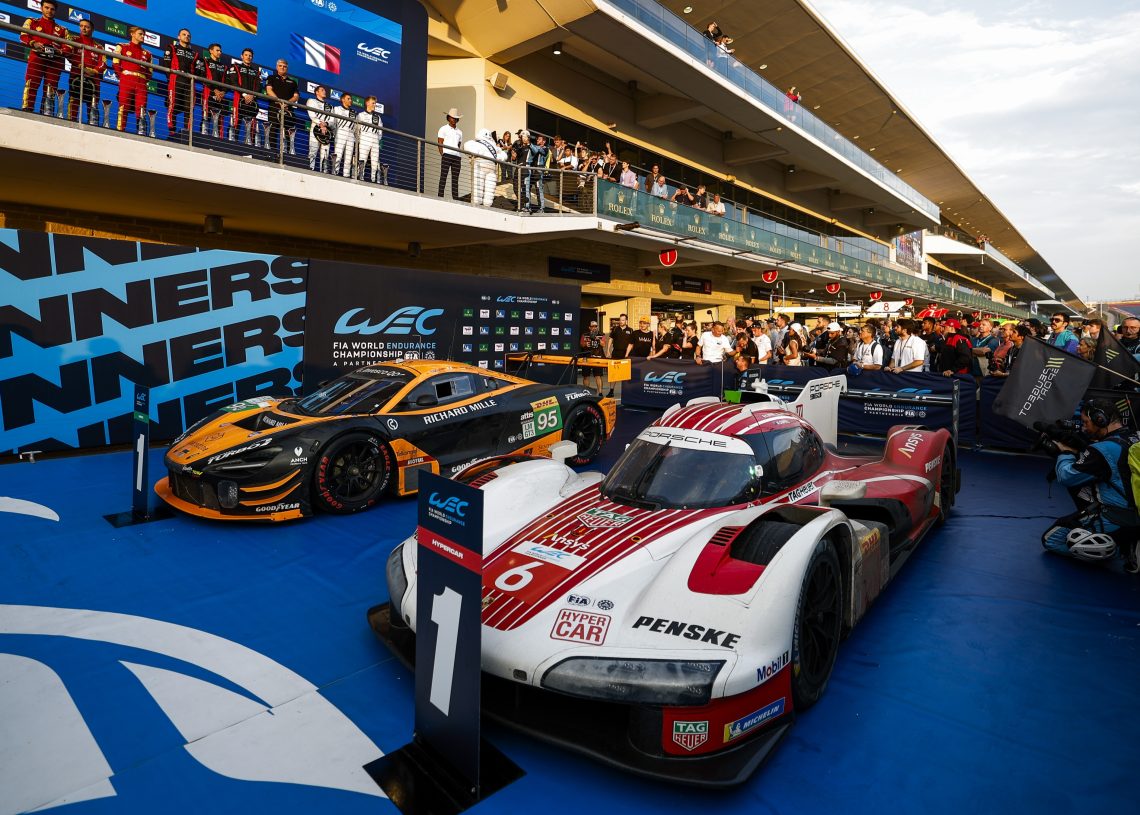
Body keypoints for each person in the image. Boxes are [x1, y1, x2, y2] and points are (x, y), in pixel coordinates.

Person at [1042, 400, 1140, 572]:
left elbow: (1066, 477)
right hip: (1137, 511)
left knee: (1052, 539)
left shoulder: (1103, 449)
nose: (1084, 428)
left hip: (1120, 518)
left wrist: (1064, 452)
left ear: (1100, 419)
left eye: (1086, 422)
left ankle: (1121, 547)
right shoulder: (1135, 436)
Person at [20, 0, 69, 116]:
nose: (49, 11)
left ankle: (47, 113)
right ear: (41, 8)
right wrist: (33, 43)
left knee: (50, 89)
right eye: (46, 8)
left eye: (52, 9)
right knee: (31, 84)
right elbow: (23, 36)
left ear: (55, 11)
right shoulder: (32, 21)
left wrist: (60, 51)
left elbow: (69, 47)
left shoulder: (63, 29)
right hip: (36, 58)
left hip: (55, 62)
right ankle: (27, 109)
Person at [114, 27, 153, 134]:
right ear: (132, 34)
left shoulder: (148, 54)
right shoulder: (122, 46)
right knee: (123, 106)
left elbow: (150, 72)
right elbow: (115, 62)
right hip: (127, 80)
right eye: (140, 34)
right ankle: (120, 131)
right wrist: (123, 76)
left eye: (144, 34)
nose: (143, 36)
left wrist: (143, 80)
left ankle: (141, 132)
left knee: (141, 108)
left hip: (141, 84)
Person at [67, 17, 105, 125]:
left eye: (87, 27)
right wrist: (81, 67)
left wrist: (94, 71)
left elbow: (103, 63)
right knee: (74, 100)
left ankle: (92, 125)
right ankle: (71, 123)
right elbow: (69, 55)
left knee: (93, 104)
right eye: (81, 26)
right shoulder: (74, 40)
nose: (83, 28)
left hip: (94, 78)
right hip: (76, 75)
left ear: (92, 29)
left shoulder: (99, 47)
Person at [162, 28, 198, 134]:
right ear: (178, 37)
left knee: (189, 108)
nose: (186, 37)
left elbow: (197, 71)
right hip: (176, 79)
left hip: (189, 82)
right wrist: (171, 78)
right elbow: (166, 64)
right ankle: (172, 131)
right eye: (184, 34)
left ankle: (187, 132)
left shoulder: (194, 54)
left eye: (188, 35)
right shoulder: (172, 48)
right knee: (173, 105)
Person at [265, 59, 300, 156]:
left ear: (287, 68)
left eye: (284, 66)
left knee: (289, 133)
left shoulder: (293, 82)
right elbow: (269, 90)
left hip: (288, 110)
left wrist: (287, 103)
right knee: (273, 131)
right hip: (274, 107)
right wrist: (280, 101)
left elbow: (296, 96)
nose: (282, 68)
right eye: (280, 66)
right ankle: (272, 153)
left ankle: (288, 155)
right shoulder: (271, 77)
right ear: (277, 67)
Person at [227, 48, 261, 145]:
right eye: (246, 55)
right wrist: (245, 94)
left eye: (250, 56)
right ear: (242, 56)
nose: (248, 57)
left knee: (252, 125)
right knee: (236, 122)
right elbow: (233, 81)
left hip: (252, 101)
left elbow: (259, 86)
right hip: (239, 99)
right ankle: (232, 144)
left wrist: (252, 95)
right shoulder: (235, 67)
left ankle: (249, 145)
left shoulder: (256, 72)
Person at [465, 128, 505, 206]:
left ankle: (481, 204)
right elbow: (503, 155)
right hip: (486, 166)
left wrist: (479, 153)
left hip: (484, 166)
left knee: (481, 187)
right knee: (486, 188)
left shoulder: (491, 146)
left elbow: (467, 146)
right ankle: (483, 204)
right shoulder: (490, 146)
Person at [198, 42, 228, 138]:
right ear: (211, 51)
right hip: (208, 93)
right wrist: (214, 90)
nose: (219, 52)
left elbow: (227, 81)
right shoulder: (204, 62)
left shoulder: (224, 66)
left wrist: (223, 92)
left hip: (221, 96)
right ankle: (203, 137)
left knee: (220, 119)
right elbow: (202, 77)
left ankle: (219, 139)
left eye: (220, 51)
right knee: (206, 116)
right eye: (217, 50)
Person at [306, 85, 335, 172]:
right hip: (315, 129)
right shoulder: (311, 101)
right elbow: (312, 115)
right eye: (322, 90)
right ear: (316, 92)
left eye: (324, 90)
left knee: (325, 154)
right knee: (313, 151)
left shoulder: (330, 106)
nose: (324, 91)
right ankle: (310, 170)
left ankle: (324, 172)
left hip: (326, 131)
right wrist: (320, 124)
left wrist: (326, 124)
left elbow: (332, 120)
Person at [355, 96, 384, 182]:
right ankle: (360, 177)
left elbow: (380, 131)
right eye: (373, 103)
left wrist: (377, 139)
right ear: (367, 103)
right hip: (364, 140)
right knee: (362, 159)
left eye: (375, 103)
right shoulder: (361, 115)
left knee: (375, 162)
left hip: (375, 141)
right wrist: (360, 140)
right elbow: (356, 130)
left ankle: (373, 179)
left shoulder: (378, 117)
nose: (374, 105)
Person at [437, 107, 464, 199]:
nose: (454, 120)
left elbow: (458, 145)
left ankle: (455, 198)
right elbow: (440, 143)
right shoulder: (443, 129)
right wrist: (443, 154)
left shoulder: (460, 132)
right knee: (443, 176)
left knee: (455, 179)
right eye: (452, 117)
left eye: (455, 118)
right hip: (447, 155)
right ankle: (440, 197)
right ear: (448, 118)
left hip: (457, 157)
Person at [522, 134, 550, 213]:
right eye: (537, 139)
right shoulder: (535, 147)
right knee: (527, 188)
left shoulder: (546, 149)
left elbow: (538, 150)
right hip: (532, 170)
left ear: (544, 141)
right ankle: (527, 206)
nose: (537, 140)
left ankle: (542, 208)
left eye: (539, 139)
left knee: (538, 189)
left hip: (539, 171)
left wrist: (529, 143)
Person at [332, 92, 356, 176]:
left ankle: (346, 175)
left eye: (351, 99)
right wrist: (335, 133)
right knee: (338, 155)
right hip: (340, 132)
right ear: (342, 99)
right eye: (348, 99)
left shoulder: (353, 112)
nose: (350, 100)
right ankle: (334, 173)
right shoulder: (337, 109)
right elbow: (333, 123)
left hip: (351, 135)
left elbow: (355, 127)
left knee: (348, 158)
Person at [579, 319, 605, 395]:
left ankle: (600, 393)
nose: (594, 328)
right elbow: (581, 344)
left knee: (598, 376)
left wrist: (598, 339)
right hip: (587, 357)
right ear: (589, 327)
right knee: (586, 376)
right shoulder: (585, 335)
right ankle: (586, 392)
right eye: (592, 326)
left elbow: (604, 344)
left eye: (595, 326)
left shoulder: (601, 334)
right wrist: (585, 344)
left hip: (597, 357)